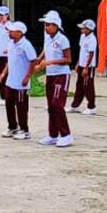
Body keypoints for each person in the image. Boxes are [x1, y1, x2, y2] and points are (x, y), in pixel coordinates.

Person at [35, 11, 73, 147]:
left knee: (57, 104)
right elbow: (45, 51)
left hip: (61, 75)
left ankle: (66, 134)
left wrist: (49, 62)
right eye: (45, 25)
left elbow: (68, 59)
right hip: (50, 75)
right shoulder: (48, 38)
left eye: (49, 25)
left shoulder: (62, 39)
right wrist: (38, 60)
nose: (46, 27)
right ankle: (53, 135)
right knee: (51, 106)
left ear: (56, 25)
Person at [0, 21, 37, 140]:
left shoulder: (26, 44)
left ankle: (25, 130)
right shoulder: (10, 43)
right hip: (10, 81)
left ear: (20, 32)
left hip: (21, 82)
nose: (9, 33)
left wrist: (27, 76)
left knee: (21, 107)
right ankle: (12, 127)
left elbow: (33, 61)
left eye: (12, 31)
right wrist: (4, 72)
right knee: (9, 104)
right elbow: (10, 60)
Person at [68, 19, 97, 115]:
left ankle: (91, 107)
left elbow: (91, 54)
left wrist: (86, 67)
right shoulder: (82, 36)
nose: (81, 29)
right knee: (79, 85)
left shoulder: (92, 39)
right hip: (81, 64)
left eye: (83, 28)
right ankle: (75, 105)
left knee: (88, 86)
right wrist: (78, 63)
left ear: (89, 29)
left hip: (89, 66)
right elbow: (82, 51)